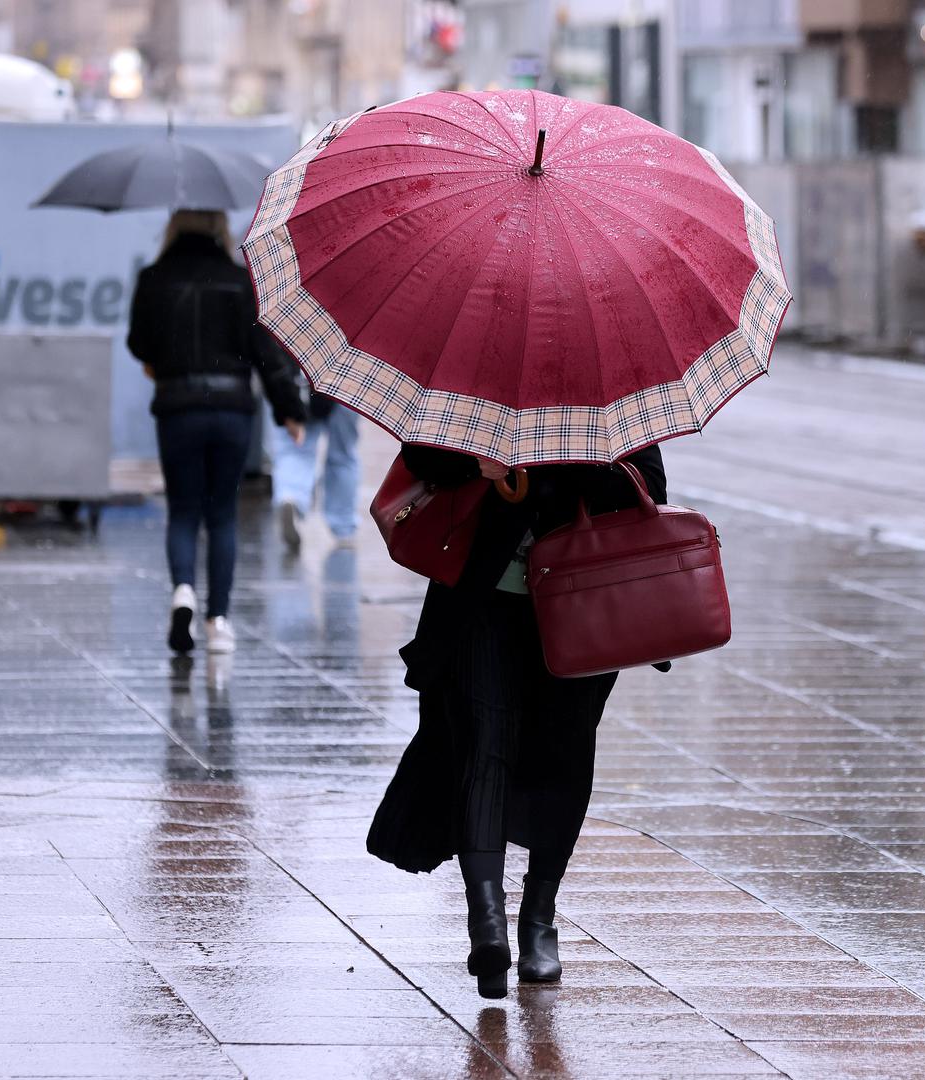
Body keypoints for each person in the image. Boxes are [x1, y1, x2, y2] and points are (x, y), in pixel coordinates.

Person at [366, 443, 666, 999]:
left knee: (566, 758)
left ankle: (539, 921)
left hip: (582, 607)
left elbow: (648, 490)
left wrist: (576, 468)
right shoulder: (481, 387)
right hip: (483, 601)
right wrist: (480, 466)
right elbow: (422, 460)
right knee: (484, 749)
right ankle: (487, 926)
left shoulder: (604, 406)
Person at [127, 209, 307, 655]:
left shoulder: (153, 278)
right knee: (223, 514)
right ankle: (218, 622)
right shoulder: (240, 279)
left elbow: (138, 342)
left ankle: (183, 591)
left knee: (184, 511)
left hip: (177, 407)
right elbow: (264, 350)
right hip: (231, 411)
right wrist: (289, 408)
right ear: (220, 228)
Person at [271, 384, 360, 551]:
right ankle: (343, 527)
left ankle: (290, 495)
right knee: (342, 456)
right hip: (348, 382)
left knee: (296, 450)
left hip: (300, 380)